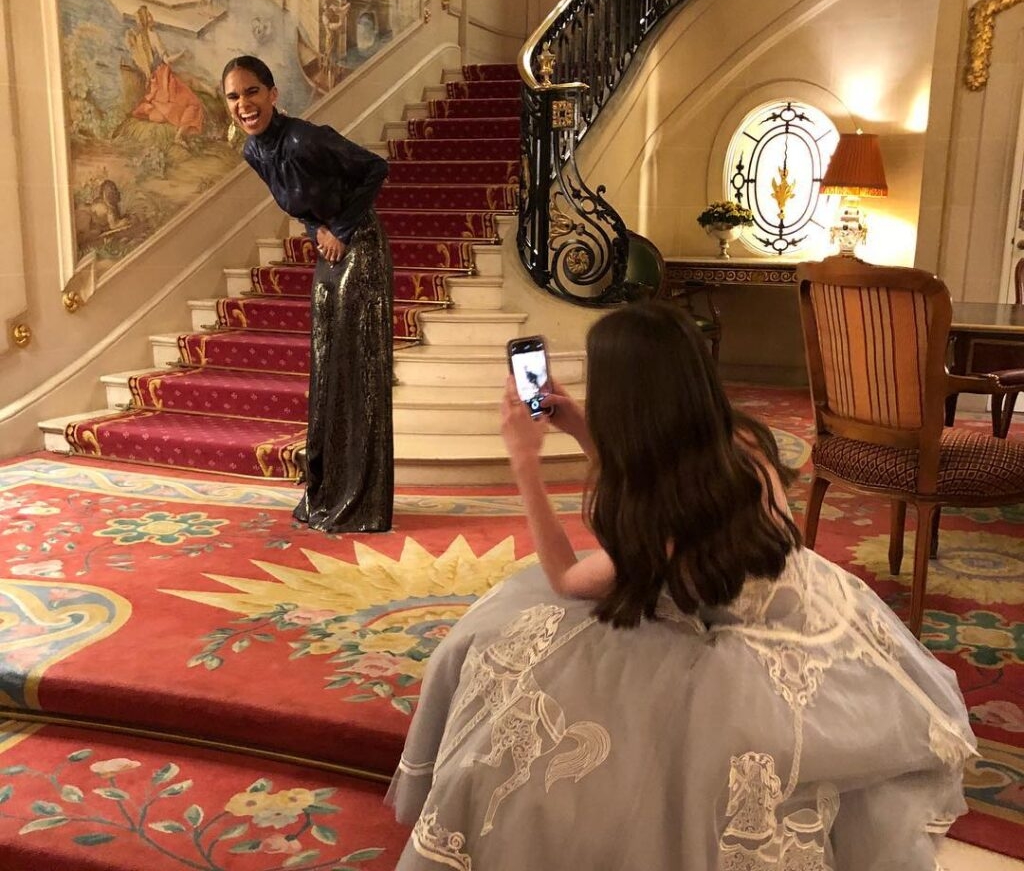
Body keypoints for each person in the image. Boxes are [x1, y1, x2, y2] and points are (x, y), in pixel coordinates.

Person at [387, 301, 976, 869]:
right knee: (515, 614)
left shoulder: (669, 519)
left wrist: (525, 466)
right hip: (802, 600)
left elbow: (568, 576)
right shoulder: (739, 443)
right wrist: (585, 432)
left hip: (731, 643)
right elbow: (653, 478)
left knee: (509, 632)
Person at [222, 55, 393, 534]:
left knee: (352, 366)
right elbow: (298, 198)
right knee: (326, 365)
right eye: (234, 97)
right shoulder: (254, 152)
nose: (244, 104)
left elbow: (374, 169)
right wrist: (317, 226)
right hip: (330, 245)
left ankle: (362, 501)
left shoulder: (305, 138)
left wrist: (338, 226)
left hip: (360, 245)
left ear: (273, 94)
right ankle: (327, 491)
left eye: (251, 92)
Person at [126, 6, 205, 145]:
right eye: (149, 16)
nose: (152, 17)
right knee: (193, 103)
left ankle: (179, 132)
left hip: (154, 80)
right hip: (163, 78)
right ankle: (179, 136)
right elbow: (166, 60)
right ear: (146, 20)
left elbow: (141, 63)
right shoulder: (153, 35)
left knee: (185, 89)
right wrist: (182, 54)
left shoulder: (138, 39)